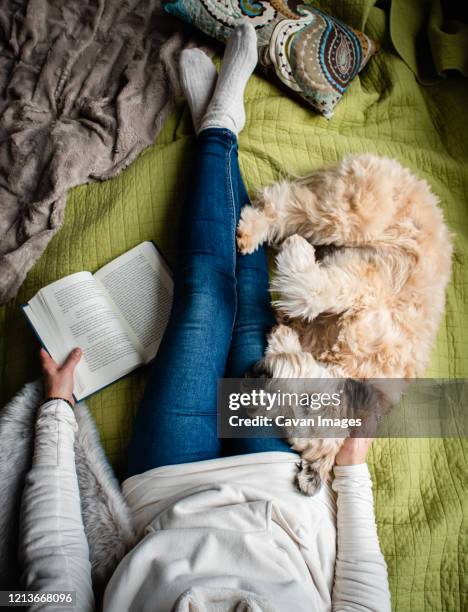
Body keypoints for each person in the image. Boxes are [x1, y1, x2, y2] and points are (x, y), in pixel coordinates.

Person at [22, 23, 391, 612]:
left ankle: (216, 128)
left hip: (168, 488)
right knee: (250, 324)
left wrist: (56, 417)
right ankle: (217, 126)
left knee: (201, 302)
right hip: (278, 485)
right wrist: (350, 472)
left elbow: (44, 587)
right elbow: (366, 601)